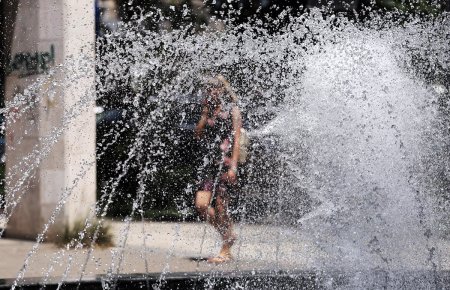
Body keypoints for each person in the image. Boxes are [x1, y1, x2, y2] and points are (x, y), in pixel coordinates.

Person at [194, 75, 242, 264]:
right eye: (208, 89)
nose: (211, 92)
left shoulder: (233, 110)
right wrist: (205, 115)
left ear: (222, 90)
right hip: (209, 163)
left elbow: (237, 141)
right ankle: (228, 235)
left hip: (227, 163)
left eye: (214, 88)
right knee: (201, 205)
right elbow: (198, 134)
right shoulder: (209, 109)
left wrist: (234, 168)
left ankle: (225, 249)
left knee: (222, 208)